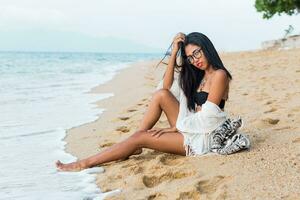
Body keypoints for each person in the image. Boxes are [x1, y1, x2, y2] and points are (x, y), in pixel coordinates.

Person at [56, 32, 247, 171]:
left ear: (206, 48)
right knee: (161, 95)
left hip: (202, 137)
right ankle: (135, 142)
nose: (194, 60)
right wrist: (174, 53)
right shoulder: (199, 75)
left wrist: (174, 128)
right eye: (189, 57)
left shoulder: (219, 75)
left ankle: (84, 163)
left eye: (197, 53)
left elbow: (208, 118)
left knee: (140, 137)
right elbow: (165, 86)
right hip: (191, 125)